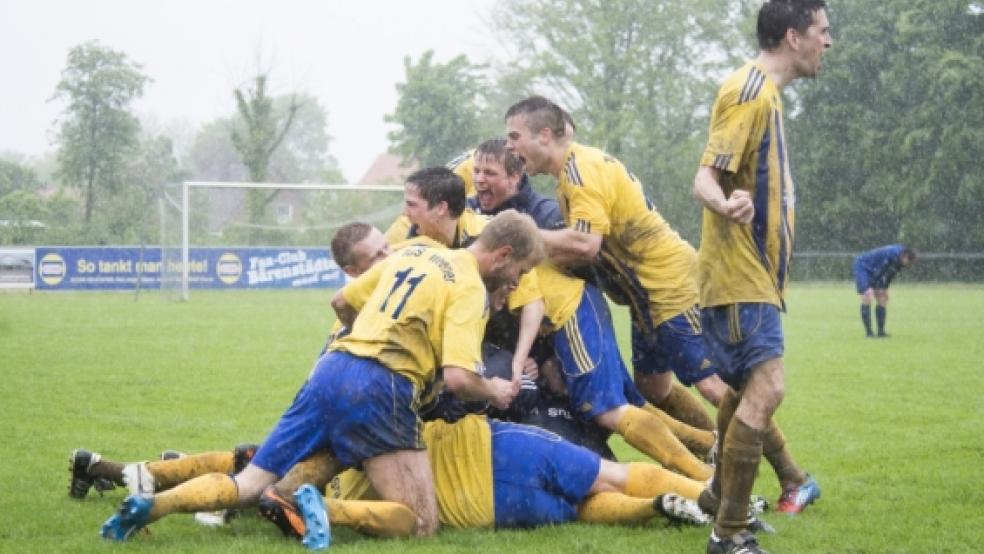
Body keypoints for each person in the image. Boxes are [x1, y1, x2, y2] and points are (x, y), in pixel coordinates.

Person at [99, 196, 545, 543]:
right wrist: (497, 392)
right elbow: (458, 379)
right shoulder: (469, 287)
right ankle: (319, 508)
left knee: (250, 482)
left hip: (331, 368)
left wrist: (363, 342)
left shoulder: (415, 254)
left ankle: (153, 505)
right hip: (383, 386)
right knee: (422, 524)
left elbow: (340, 301)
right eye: (520, 271)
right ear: (503, 253)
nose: (517, 281)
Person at [692, 1, 831, 552]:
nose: (829, 42)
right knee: (767, 389)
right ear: (793, 37)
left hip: (754, 279)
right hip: (739, 274)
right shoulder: (749, 90)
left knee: (742, 392)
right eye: (823, 31)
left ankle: (719, 501)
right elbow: (705, 175)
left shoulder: (764, 95)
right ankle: (728, 536)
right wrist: (726, 207)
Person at [504, 95, 723, 429]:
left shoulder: (580, 170)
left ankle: (789, 474)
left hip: (669, 283)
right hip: (643, 297)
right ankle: (713, 450)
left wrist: (521, 233)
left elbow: (585, 244)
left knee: (712, 385)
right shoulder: (569, 172)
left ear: (544, 135)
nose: (509, 147)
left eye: (514, 137)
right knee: (653, 387)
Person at [853, 244, 916, 337]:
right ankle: (869, 333)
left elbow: (891, 273)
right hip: (863, 267)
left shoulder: (900, 257)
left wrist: (884, 288)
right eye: (909, 262)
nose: (909, 264)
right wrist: (871, 287)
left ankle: (881, 332)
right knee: (868, 295)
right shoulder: (890, 254)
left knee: (883, 298)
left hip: (876, 270)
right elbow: (879, 270)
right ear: (905, 256)